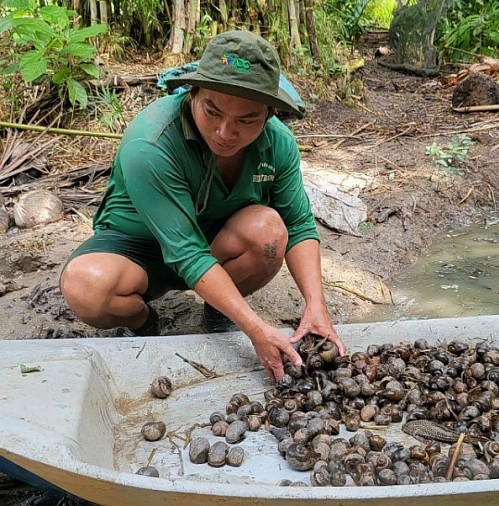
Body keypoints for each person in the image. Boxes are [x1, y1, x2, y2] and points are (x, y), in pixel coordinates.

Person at [59, 30, 345, 381]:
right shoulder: (150, 143)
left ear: (270, 115)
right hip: (140, 247)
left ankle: (217, 308)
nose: (225, 132)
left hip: (215, 240)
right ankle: (144, 321)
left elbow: (299, 226)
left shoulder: (278, 145)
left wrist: (316, 306)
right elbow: (186, 253)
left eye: (246, 120)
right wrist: (256, 329)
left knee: (269, 231)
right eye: (212, 111)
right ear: (192, 94)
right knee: (85, 286)